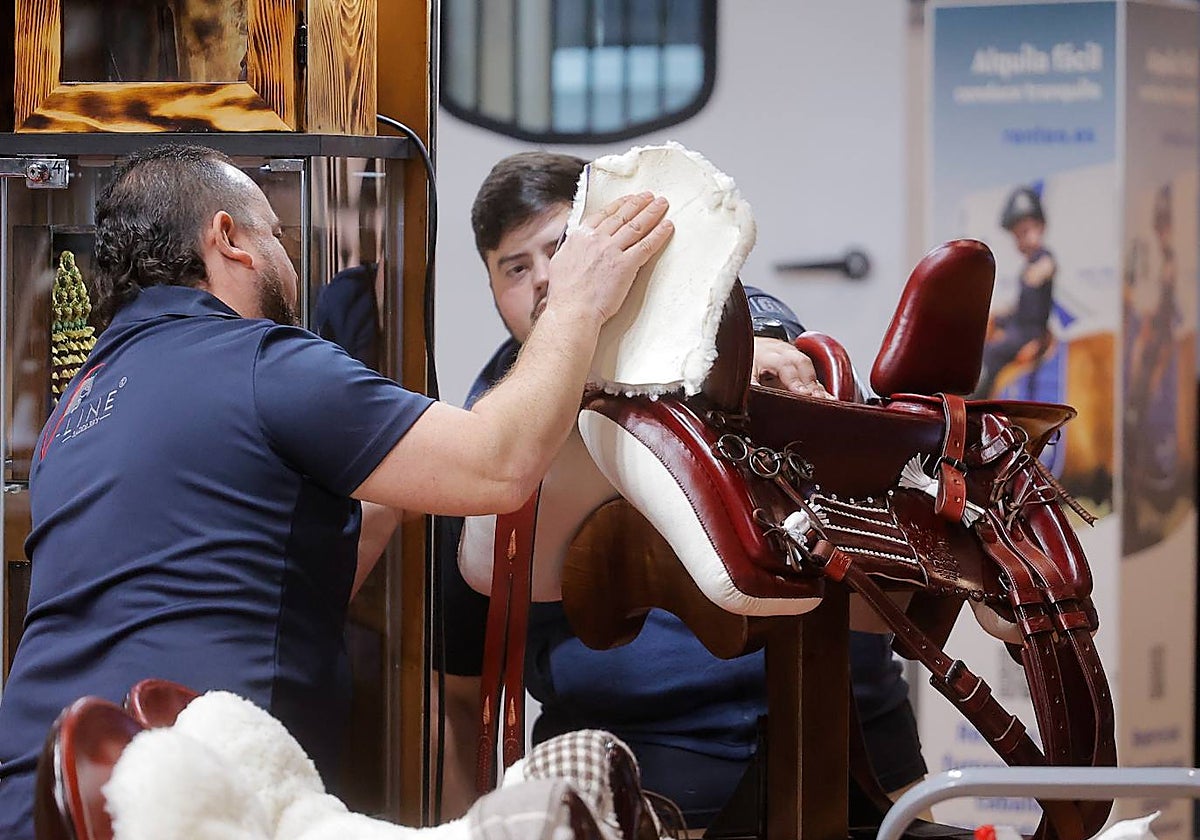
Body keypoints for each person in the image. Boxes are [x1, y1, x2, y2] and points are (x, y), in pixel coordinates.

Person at [0, 144, 674, 840]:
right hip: (176, 804)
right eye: (279, 238)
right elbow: (499, 468)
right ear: (229, 238)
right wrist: (579, 301)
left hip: (37, 793)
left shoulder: (72, 414)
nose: (293, 267)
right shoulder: (261, 362)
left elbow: (246, 576)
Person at [436, 151, 927, 829]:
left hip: (847, 727)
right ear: (493, 290)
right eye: (516, 269)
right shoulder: (496, 414)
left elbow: (770, 353)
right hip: (642, 755)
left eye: (561, 248)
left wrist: (728, 355)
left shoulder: (738, 316)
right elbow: (459, 670)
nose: (548, 280)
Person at [973, 185, 1057, 399]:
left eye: (1026, 231)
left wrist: (1041, 271)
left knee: (991, 352)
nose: (1022, 239)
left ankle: (977, 398)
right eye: (1018, 235)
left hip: (1029, 331)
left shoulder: (1042, 258)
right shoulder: (1028, 264)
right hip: (1019, 323)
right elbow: (1025, 302)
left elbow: (1048, 266)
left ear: (1041, 227)